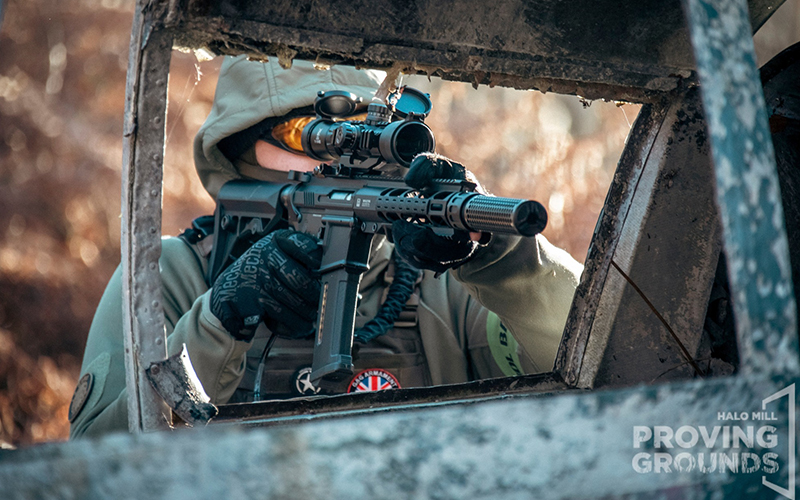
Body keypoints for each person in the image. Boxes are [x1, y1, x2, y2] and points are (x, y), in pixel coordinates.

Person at [69, 56, 583, 438]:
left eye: (358, 132)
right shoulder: (173, 273)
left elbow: (598, 367)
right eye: (306, 134)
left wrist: (496, 256)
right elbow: (96, 467)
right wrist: (217, 324)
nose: (332, 158)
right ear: (239, 146)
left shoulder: (446, 279)